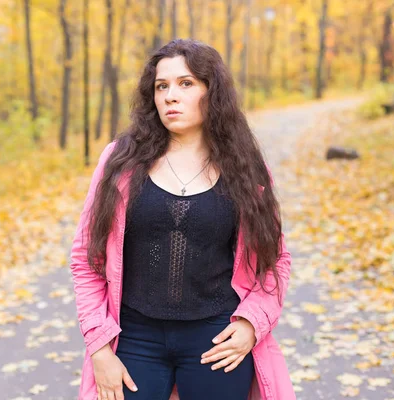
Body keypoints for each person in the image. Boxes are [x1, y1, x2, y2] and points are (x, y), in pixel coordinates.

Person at [69, 39, 295, 400]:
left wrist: (253, 324)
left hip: (217, 342)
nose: (170, 96)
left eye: (186, 83)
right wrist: (98, 347)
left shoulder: (245, 169)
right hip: (132, 340)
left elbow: (276, 261)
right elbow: (85, 259)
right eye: (162, 86)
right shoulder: (120, 162)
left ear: (212, 92)